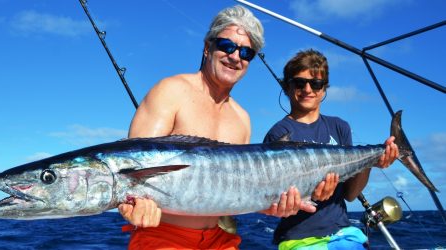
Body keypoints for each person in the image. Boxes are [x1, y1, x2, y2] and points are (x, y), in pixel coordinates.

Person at [117, 6, 338, 250]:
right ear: (207, 47)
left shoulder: (242, 118)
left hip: (220, 239)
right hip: (163, 236)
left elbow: (239, 194)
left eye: (246, 53)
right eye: (227, 45)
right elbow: (130, 172)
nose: (235, 57)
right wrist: (131, 207)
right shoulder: (169, 92)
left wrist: (276, 206)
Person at [263, 49, 399, 249]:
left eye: (316, 84)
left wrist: (370, 163)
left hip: (343, 232)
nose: (308, 89)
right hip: (299, 237)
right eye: (299, 82)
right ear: (287, 86)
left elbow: (350, 194)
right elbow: (278, 199)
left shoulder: (339, 127)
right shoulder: (279, 133)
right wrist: (311, 194)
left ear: (324, 89)